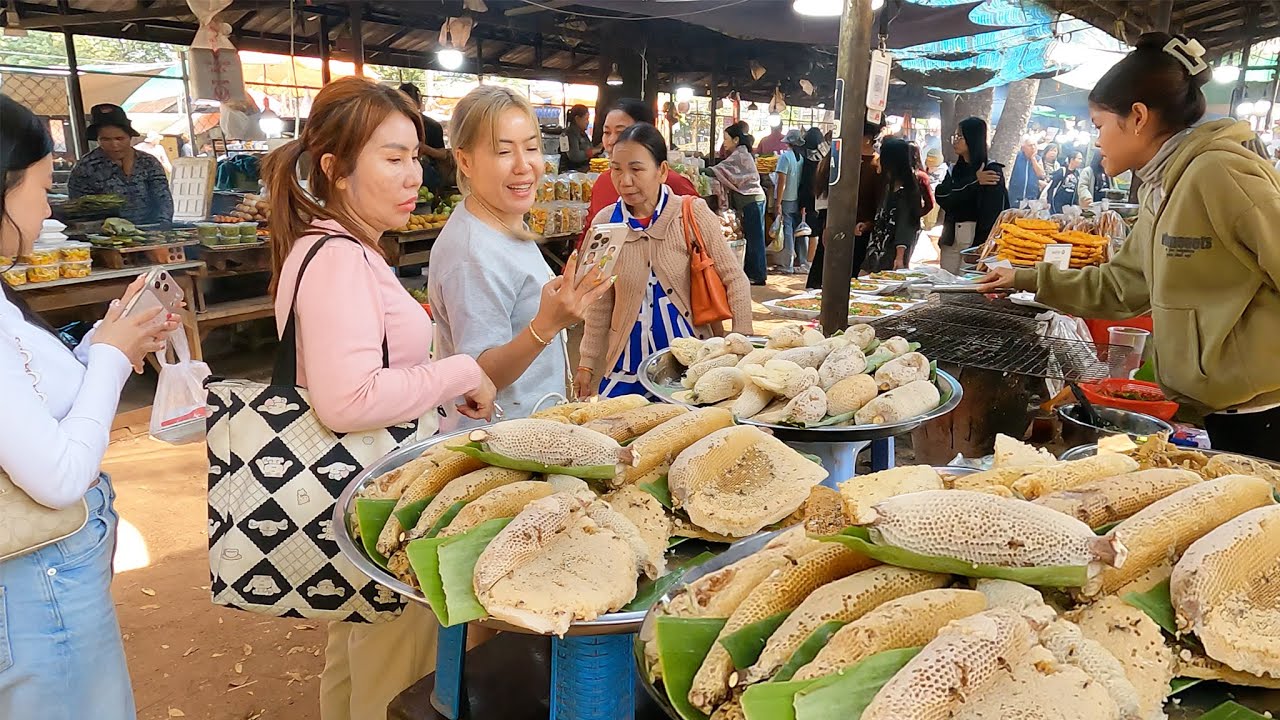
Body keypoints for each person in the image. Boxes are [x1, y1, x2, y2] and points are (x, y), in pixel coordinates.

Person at [261, 76, 498, 720]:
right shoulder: (339, 258)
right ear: (335, 169)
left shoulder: (340, 248)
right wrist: (460, 371)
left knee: (356, 660)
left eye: (415, 157)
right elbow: (348, 399)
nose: (411, 175)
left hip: (356, 495)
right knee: (395, 676)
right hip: (376, 503)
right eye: (391, 159)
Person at [976, 32, 1280, 460]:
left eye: (1100, 125)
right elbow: (1122, 286)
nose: (1097, 140)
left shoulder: (1219, 172)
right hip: (1217, 409)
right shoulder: (1162, 187)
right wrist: (1023, 277)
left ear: (1137, 117)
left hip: (1263, 411)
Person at [0, 94, 177, 719]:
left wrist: (106, 344)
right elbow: (58, 475)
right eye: (42, 188)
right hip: (34, 585)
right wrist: (108, 360)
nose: (49, 208)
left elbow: (30, 402)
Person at [430, 85, 613, 416]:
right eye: (503, 152)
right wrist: (546, 324)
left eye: (531, 148)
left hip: (533, 428)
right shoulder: (472, 255)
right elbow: (478, 376)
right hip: (496, 445)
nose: (524, 165)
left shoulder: (505, 224)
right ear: (465, 160)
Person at [576, 123, 753, 398]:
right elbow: (600, 302)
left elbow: (735, 279)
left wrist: (742, 342)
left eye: (636, 169)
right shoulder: (605, 224)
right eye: (616, 169)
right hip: (627, 366)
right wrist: (587, 364)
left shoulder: (691, 213)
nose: (624, 180)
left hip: (691, 368)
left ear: (661, 171)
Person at [581, 98, 698, 248]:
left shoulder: (675, 184)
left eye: (621, 132)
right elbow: (588, 237)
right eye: (606, 132)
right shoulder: (602, 183)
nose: (611, 141)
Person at [67, 104, 173, 225]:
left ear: (130, 137)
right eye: (105, 139)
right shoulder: (85, 168)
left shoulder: (148, 162)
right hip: (106, 235)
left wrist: (161, 227)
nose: (114, 145)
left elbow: (163, 198)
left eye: (120, 138)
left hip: (151, 230)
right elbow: (79, 209)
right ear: (98, 139)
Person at [935, 116, 1008, 273]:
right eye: (955, 136)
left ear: (973, 138)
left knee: (967, 286)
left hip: (976, 237)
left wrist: (984, 244)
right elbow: (942, 197)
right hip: (951, 236)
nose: (955, 141)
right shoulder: (954, 170)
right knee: (944, 282)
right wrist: (975, 182)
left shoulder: (992, 169)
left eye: (960, 136)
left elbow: (994, 212)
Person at [709, 124, 767, 285]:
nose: (724, 142)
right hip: (752, 200)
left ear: (736, 139)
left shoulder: (740, 155)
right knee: (754, 237)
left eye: (726, 139)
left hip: (752, 200)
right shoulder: (739, 153)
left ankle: (757, 275)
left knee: (755, 239)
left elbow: (720, 170)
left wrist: (702, 169)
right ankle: (754, 272)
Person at [864, 138, 923, 273]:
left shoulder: (905, 191)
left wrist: (900, 257)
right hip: (877, 248)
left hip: (892, 253)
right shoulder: (890, 187)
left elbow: (905, 225)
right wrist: (869, 225)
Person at [398, 83, 450, 191]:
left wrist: (425, 149)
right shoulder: (391, 125)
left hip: (428, 179)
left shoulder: (432, 125)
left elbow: (443, 154)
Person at [772, 129, 808, 274]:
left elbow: (782, 181)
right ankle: (802, 261)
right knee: (798, 230)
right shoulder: (801, 158)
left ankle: (788, 264)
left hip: (786, 198)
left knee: (787, 229)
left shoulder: (785, 157)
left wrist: (778, 202)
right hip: (797, 198)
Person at [797, 127, 828, 269]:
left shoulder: (807, 158)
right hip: (822, 198)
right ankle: (810, 260)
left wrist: (802, 202)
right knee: (815, 230)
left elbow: (805, 182)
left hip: (810, 197)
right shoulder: (826, 155)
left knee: (810, 230)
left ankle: (808, 261)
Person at [1009, 137, 1046, 206]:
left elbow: (1041, 175)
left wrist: (1033, 159)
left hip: (1031, 197)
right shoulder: (1017, 157)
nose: (1033, 147)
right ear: (1023, 148)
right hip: (1014, 196)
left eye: (1034, 145)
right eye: (1030, 145)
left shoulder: (1038, 159)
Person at [561, 104, 598, 172]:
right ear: (577, 119)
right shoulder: (569, 134)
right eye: (586, 119)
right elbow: (575, 156)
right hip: (572, 172)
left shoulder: (582, 133)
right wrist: (593, 151)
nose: (588, 122)